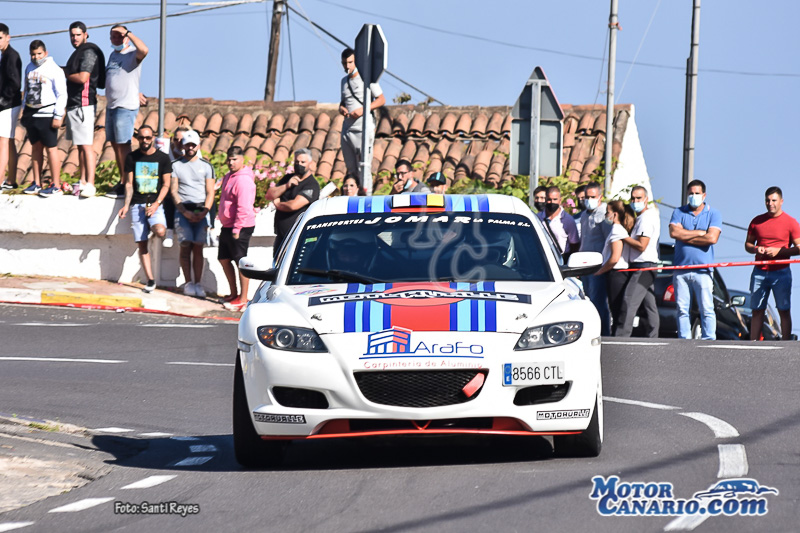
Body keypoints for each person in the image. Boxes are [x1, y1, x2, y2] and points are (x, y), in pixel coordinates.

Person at [117, 124, 172, 293]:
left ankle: (157, 229)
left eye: (148, 137)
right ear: (138, 139)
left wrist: (156, 204)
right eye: (141, 137)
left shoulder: (162, 158)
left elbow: (166, 184)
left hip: (155, 204)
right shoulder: (131, 157)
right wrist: (126, 206)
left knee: (160, 231)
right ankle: (150, 280)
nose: (145, 140)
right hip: (137, 204)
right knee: (142, 244)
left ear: (153, 138)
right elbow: (128, 184)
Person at [744, 186, 800, 340]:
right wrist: (756, 249)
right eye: (767, 201)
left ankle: (785, 344)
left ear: (781, 201)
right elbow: (748, 245)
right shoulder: (756, 221)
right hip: (759, 272)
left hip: (781, 273)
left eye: (774, 200)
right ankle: (753, 343)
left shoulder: (791, 222)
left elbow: (799, 247)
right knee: (757, 310)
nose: (770, 204)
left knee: (784, 309)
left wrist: (779, 252)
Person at [669, 179, 722, 340]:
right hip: (681, 269)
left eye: (697, 193)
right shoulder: (678, 212)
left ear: (704, 195)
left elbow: (712, 238)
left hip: (703, 270)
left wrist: (685, 235)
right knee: (682, 309)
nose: (693, 196)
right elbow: (674, 233)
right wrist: (700, 233)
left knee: (707, 308)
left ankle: (709, 339)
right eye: (691, 193)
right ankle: (684, 340)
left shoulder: (713, 213)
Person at [104, 24, 148, 198]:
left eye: (119, 36)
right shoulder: (113, 55)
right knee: (115, 145)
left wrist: (128, 32)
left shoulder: (132, 54)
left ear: (127, 38)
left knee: (124, 145)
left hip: (125, 106)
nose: (116, 39)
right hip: (112, 105)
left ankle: (128, 183)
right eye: (113, 36)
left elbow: (144, 50)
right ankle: (123, 180)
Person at [170, 129, 215, 298]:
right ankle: (188, 282)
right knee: (185, 244)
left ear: (198, 145)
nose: (190, 148)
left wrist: (205, 212)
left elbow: (210, 191)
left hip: (201, 209)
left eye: (193, 145)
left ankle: (198, 283)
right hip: (183, 209)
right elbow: (174, 191)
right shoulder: (176, 165)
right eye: (187, 145)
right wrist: (184, 211)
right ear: (183, 145)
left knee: (198, 247)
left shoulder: (207, 166)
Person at [20, 40, 66, 197]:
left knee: (51, 148)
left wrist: (58, 114)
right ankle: (36, 182)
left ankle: (56, 184)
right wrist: (24, 109)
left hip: (47, 113)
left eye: (39, 54)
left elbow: (62, 94)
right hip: (31, 113)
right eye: (33, 54)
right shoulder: (29, 68)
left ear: (45, 53)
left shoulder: (54, 69)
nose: (36, 57)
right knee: (35, 147)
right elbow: (26, 90)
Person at [64, 21, 105, 198]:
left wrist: (64, 73)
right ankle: (82, 180)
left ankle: (90, 183)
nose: (74, 38)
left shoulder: (88, 52)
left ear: (86, 35)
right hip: (74, 104)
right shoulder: (77, 53)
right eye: (72, 35)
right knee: (80, 145)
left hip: (84, 103)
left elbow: (83, 77)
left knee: (87, 145)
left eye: (78, 35)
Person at [616, 186, 661, 337]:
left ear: (646, 199)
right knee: (649, 305)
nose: (635, 201)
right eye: (633, 198)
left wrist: (623, 237)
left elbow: (642, 245)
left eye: (639, 198)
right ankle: (653, 337)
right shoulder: (642, 217)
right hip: (644, 266)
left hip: (644, 266)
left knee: (629, 301)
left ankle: (621, 337)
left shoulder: (646, 218)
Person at [217, 146, 256, 311]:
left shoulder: (243, 180)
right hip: (227, 225)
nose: (231, 163)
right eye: (229, 159)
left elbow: (244, 207)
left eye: (235, 159)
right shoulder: (229, 176)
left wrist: (237, 228)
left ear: (242, 160)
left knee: (241, 262)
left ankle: (243, 299)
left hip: (241, 226)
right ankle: (234, 294)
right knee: (224, 258)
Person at [338, 47, 385, 181]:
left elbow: (381, 99)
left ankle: (365, 190)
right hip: (347, 129)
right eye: (344, 63)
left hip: (363, 129)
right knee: (351, 169)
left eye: (350, 62)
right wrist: (342, 109)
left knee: (364, 167)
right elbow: (343, 102)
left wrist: (362, 110)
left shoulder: (367, 79)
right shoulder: (344, 81)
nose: (347, 66)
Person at [267, 148, 321, 257]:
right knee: (276, 264)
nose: (299, 165)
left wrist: (278, 204)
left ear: (310, 164)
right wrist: (286, 186)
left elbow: (293, 205)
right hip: (281, 236)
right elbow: (269, 195)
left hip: (298, 237)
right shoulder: (287, 178)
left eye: (303, 162)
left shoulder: (312, 185)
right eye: (297, 162)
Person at [593, 200, 635, 336]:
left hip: (617, 274)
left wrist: (600, 271)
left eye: (608, 212)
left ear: (615, 214)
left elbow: (614, 258)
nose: (606, 215)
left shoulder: (617, 230)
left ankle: (617, 336)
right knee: (615, 306)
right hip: (617, 274)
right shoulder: (617, 229)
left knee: (616, 307)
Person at [579, 181, 613, 335]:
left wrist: (605, 264)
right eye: (587, 197)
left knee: (598, 302)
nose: (589, 200)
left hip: (598, 265)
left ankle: (603, 333)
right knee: (587, 300)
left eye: (592, 197)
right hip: (584, 265)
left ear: (600, 197)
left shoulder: (603, 214)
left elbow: (609, 240)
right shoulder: (584, 215)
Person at [0, 24, 22, 192]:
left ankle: (1, 179)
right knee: (9, 141)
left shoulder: (11, 56)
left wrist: (2, 100)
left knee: (3, 141)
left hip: (8, 105)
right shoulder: (6, 55)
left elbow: (15, 83)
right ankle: (11, 180)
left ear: (8, 37)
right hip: (8, 104)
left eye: (0, 38)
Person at [538, 186, 580, 259]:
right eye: (549, 199)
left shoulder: (568, 220)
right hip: (542, 258)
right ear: (545, 200)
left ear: (560, 200)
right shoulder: (538, 218)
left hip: (561, 259)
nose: (552, 202)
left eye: (555, 199)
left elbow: (574, 244)